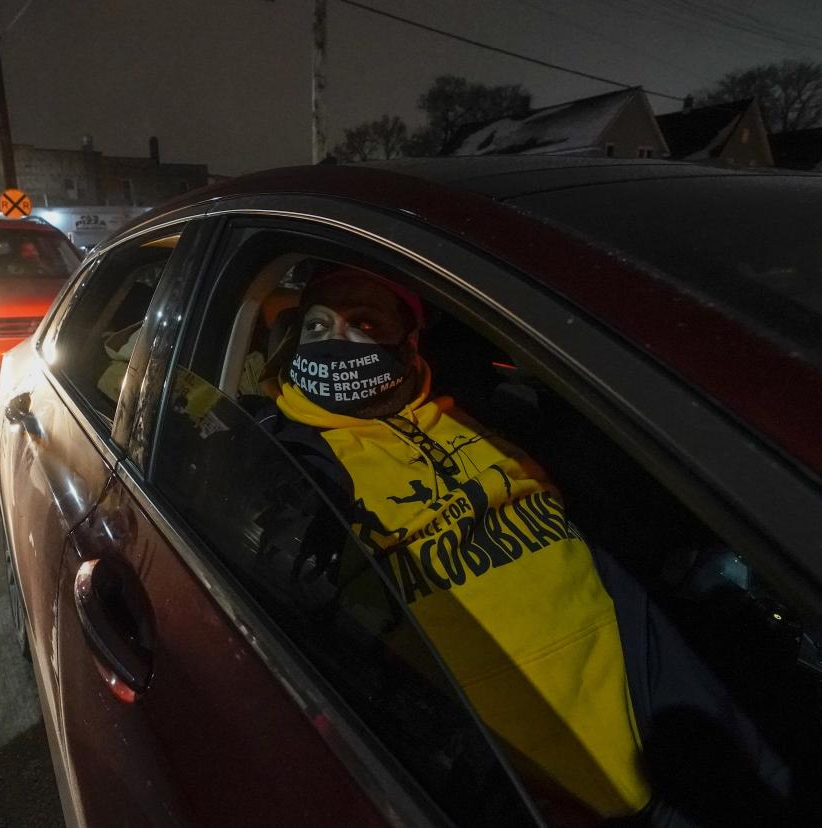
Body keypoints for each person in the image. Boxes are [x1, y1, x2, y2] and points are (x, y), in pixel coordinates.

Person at [255, 266, 790, 825]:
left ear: (410, 341)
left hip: (675, 720)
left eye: (364, 321)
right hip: (522, 789)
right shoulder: (293, 465)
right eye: (316, 324)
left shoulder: (489, 411)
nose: (337, 339)